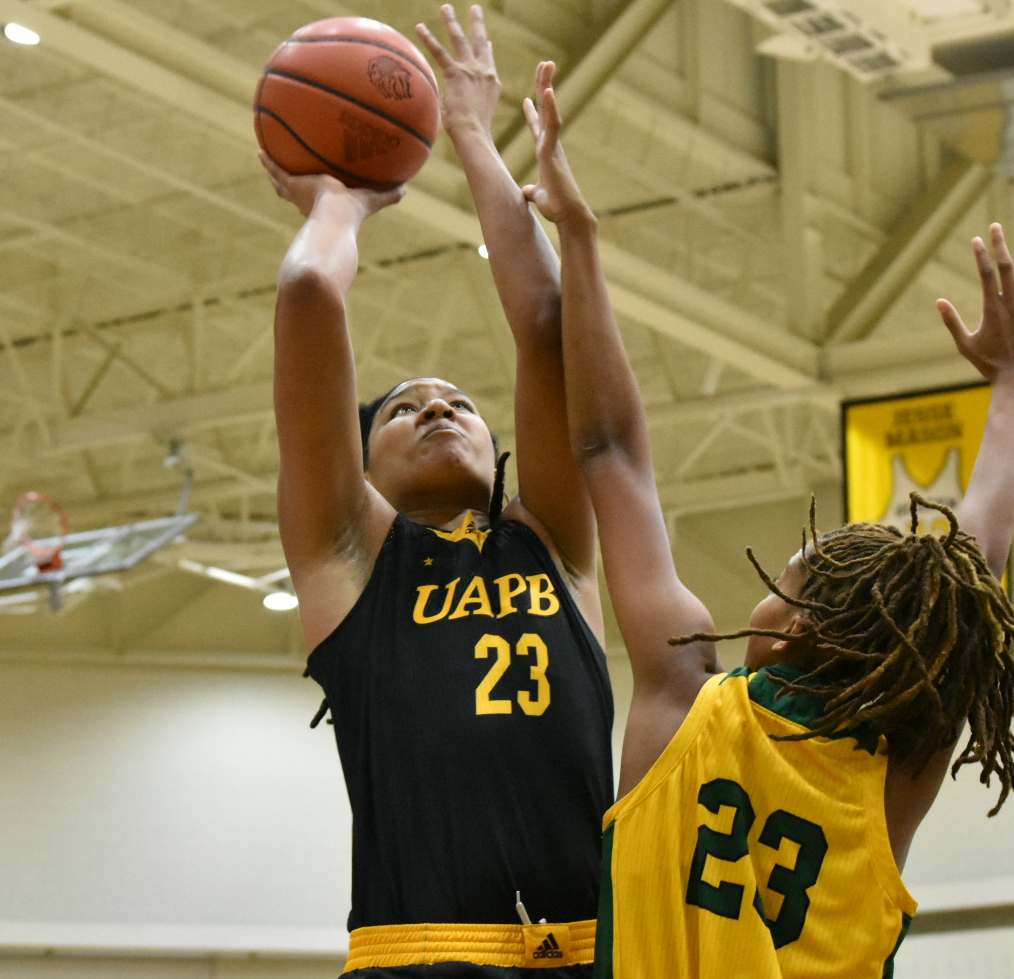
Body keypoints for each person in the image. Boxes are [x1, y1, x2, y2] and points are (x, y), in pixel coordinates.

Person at [517, 67, 1014, 977]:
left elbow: (610, 448)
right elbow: (969, 587)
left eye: (780, 577)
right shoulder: (893, 775)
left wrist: (579, 239)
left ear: (801, 622)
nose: (761, 595)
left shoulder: (685, 699)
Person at [262, 8, 613, 975]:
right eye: (402, 409)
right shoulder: (349, 563)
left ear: (501, 456)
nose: (437, 407)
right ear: (360, 471)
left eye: (458, 400)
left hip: (589, 953)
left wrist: (467, 135)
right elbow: (308, 297)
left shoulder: (558, 543)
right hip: (420, 955)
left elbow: (545, 322)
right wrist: (344, 201)